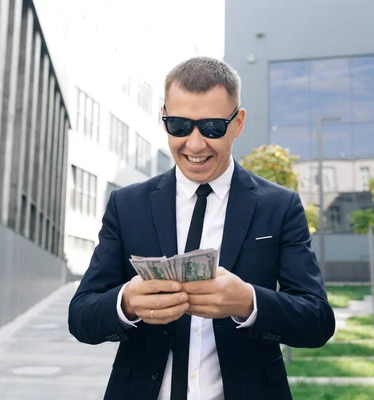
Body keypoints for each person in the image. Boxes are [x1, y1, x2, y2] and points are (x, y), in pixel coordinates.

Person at [68, 56, 335, 400]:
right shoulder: (127, 205)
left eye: (211, 128)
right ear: (163, 117)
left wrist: (249, 303)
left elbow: (317, 322)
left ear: (237, 123)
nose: (194, 144)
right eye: (179, 125)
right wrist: (126, 303)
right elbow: (81, 317)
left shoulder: (279, 206)